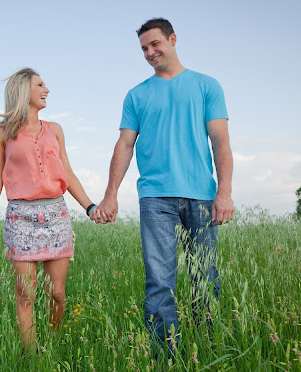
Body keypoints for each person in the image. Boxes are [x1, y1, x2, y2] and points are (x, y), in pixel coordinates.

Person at [95, 18, 234, 354]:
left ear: (172, 39)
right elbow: (124, 145)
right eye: (144, 48)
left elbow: (220, 140)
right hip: (155, 197)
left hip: (202, 196)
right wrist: (110, 194)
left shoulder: (206, 86)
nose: (150, 52)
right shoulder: (137, 95)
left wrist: (224, 192)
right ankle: (164, 356)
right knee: (159, 281)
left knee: (205, 277)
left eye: (155, 44)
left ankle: (208, 348)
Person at [0, 67, 98, 352]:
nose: (47, 90)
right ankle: (31, 359)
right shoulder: (1, 134)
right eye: (40, 85)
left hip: (56, 217)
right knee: (24, 295)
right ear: (23, 92)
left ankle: (53, 347)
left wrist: (89, 206)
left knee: (56, 293)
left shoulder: (55, 130)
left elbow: (66, 172)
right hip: (21, 219)